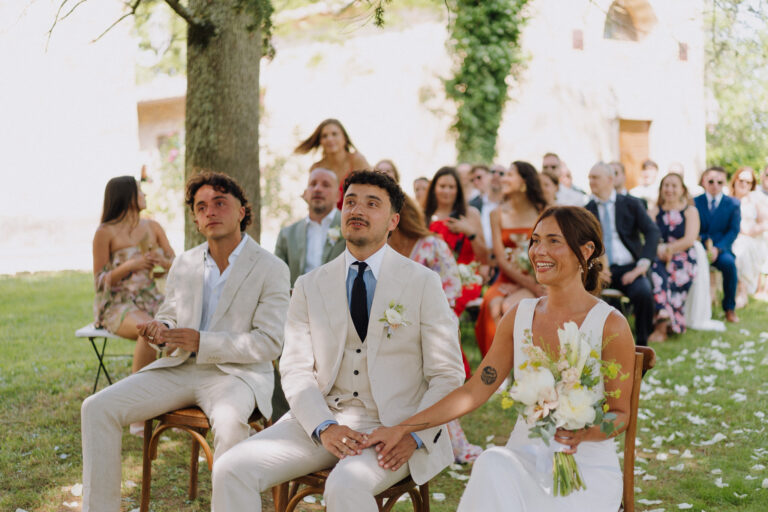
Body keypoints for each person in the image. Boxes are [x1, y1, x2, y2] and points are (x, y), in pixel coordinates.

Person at [211, 171, 465, 511]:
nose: (357, 210)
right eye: (350, 202)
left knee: (346, 484)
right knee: (231, 467)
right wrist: (324, 426)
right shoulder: (309, 284)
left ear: (393, 221)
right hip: (323, 419)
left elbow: (448, 374)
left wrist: (411, 434)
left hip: (394, 429)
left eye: (371, 204)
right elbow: (296, 369)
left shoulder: (423, 283)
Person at [364, 206, 635, 512]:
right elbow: (473, 391)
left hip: (586, 470)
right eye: (534, 240)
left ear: (585, 252)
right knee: (491, 462)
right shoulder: (519, 316)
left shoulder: (610, 324)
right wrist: (403, 428)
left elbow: (620, 414)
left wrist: (584, 432)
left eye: (553, 241)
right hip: (523, 459)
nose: (539, 251)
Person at [80, 172, 289, 511]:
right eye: (201, 206)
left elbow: (268, 344)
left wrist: (201, 340)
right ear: (195, 218)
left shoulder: (271, 268)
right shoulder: (186, 262)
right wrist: (162, 328)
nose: (210, 212)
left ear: (241, 211)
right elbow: (171, 313)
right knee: (96, 407)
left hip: (236, 375)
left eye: (220, 203)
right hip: (179, 367)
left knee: (231, 423)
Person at [388, 195, 482, 463]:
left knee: (435, 375)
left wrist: (424, 312)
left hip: (435, 319)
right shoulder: (382, 247)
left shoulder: (432, 244)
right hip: (394, 322)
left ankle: (445, 441)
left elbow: (452, 287)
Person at [92, 176, 175, 373]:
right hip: (118, 304)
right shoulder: (105, 232)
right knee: (150, 330)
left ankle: (172, 389)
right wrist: (130, 265)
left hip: (153, 299)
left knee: (177, 330)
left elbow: (178, 266)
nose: (144, 194)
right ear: (127, 197)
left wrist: (163, 263)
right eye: (139, 190)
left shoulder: (153, 227)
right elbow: (99, 282)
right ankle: (139, 394)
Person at [475, 161, 547, 356]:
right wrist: (524, 284)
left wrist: (532, 284)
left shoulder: (543, 211)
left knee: (509, 306)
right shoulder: (495, 214)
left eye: (510, 175)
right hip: (507, 277)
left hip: (538, 278)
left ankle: (523, 365)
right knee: (492, 304)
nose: (503, 179)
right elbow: (500, 258)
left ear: (524, 182)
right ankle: (499, 371)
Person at [586, 162, 660, 346]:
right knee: (585, 296)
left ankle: (642, 343)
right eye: (589, 178)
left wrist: (642, 264)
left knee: (643, 292)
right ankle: (594, 343)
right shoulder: (585, 210)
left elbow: (652, 232)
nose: (590, 182)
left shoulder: (631, 204)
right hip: (600, 269)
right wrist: (595, 269)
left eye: (595, 178)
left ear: (610, 180)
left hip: (630, 267)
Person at [424, 166, 489, 314]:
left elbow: (484, 258)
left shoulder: (471, 214)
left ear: (458, 190)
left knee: (445, 306)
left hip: (464, 279)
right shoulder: (424, 217)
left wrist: (469, 231)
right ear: (434, 188)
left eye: (451, 187)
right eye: (442, 186)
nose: (447, 191)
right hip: (431, 279)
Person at [648, 173, 700, 342]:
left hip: (683, 256)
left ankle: (662, 325)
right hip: (658, 255)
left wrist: (668, 249)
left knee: (670, 273)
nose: (669, 189)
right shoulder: (654, 212)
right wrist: (658, 249)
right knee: (655, 269)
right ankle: (665, 320)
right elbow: (647, 237)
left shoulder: (690, 211)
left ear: (682, 189)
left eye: (674, 185)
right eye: (666, 185)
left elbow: (689, 239)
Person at [275, 168, 345, 287]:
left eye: (326, 185)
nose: (318, 189)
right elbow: (277, 277)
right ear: (306, 193)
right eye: (313, 184)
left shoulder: (349, 229)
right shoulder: (287, 234)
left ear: (338, 196)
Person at [694, 166, 741, 323]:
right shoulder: (695, 202)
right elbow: (692, 227)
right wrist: (704, 242)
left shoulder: (733, 204)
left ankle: (729, 308)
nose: (715, 185)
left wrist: (718, 248)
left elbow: (733, 231)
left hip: (722, 248)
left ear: (724, 183)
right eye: (711, 181)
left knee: (729, 265)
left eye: (719, 182)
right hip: (699, 247)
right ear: (704, 182)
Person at [295, 119, 370, 209]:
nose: (329, 139)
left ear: (344, 138)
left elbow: (373, 191)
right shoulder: (316, 168)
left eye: (334, 134)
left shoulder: (357, 160)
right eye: (324, 136)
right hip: (330, 220)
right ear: (320, 141)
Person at [729, 167, 768, 308]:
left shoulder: (755, 200)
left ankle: (742, 290)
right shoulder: (728, 199)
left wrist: (750, 231)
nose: (744, 184)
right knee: (736, 245)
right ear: (735, 181)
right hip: (731, 237)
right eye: (741, 180)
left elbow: (765, 223)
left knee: (741, 246)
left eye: (748, 181)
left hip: (751, 239)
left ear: (752, 184)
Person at [470, 164, 503, 251]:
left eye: (501, 173)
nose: (496, 176)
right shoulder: (473, 204)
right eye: (493, 172)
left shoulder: (510, 204)